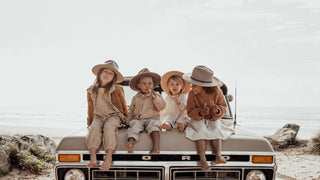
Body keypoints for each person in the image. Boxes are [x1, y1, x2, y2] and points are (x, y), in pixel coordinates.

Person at [182, 65, 233, 171]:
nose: (192, 88)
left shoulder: (217, 92)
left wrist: (217, 110)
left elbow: (223, 107)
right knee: (200, 131)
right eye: (192, 85)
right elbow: (190, 112)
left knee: (217, 129)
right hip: (198, 119)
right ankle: (203, 160)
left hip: (213, 118)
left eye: (195, 85)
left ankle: (218, 156)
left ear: (204, 86)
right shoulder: (192, 94)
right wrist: (201, 112)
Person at [86, 60, 128, 170]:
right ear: (99, 73)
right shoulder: (91, 90)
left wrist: (127, 120)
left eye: (110, 73)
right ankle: (93, 157)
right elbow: (90, 108)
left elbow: (123, 106)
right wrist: (89, 122)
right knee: (94, 129)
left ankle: (108, 158)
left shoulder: (117, 89)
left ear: (113, 78)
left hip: (113, 116)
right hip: (98, 116)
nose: (107, 75)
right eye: (105, 71)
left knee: (108, 128)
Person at [125, 68, 166, 154]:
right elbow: (131, 110)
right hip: (138, 120)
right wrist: (128, 121)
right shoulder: (135, 98)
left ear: (153, 85)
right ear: (139, 85)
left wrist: (155, 99)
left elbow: (162, 107)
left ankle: (155, 148)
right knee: (133, 127)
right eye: (144, 83)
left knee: (154, 126)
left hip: (152, 118)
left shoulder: (156, 96)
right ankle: (130, 142)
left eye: (150, 83)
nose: (147, 86)